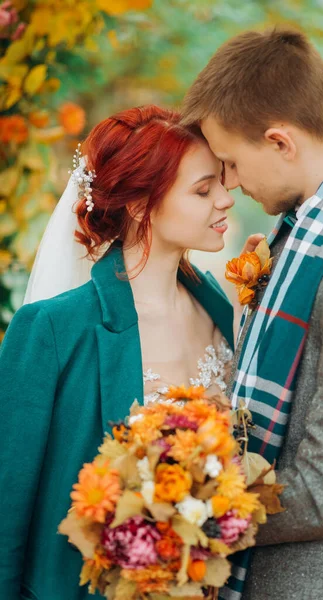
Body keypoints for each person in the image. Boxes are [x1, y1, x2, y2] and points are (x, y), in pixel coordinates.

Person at [182, 27, 323, 600]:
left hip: (322, 583)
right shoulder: (305, 232)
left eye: (230, 162)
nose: (230, 183)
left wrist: (181, 516)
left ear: (280, 142)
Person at [0, 105, 235, 600]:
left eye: (221, 182)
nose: (225, 199)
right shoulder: (52, 330)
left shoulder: (225, 310)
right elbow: (6, 505)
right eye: (203, 189)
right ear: (140, 205)